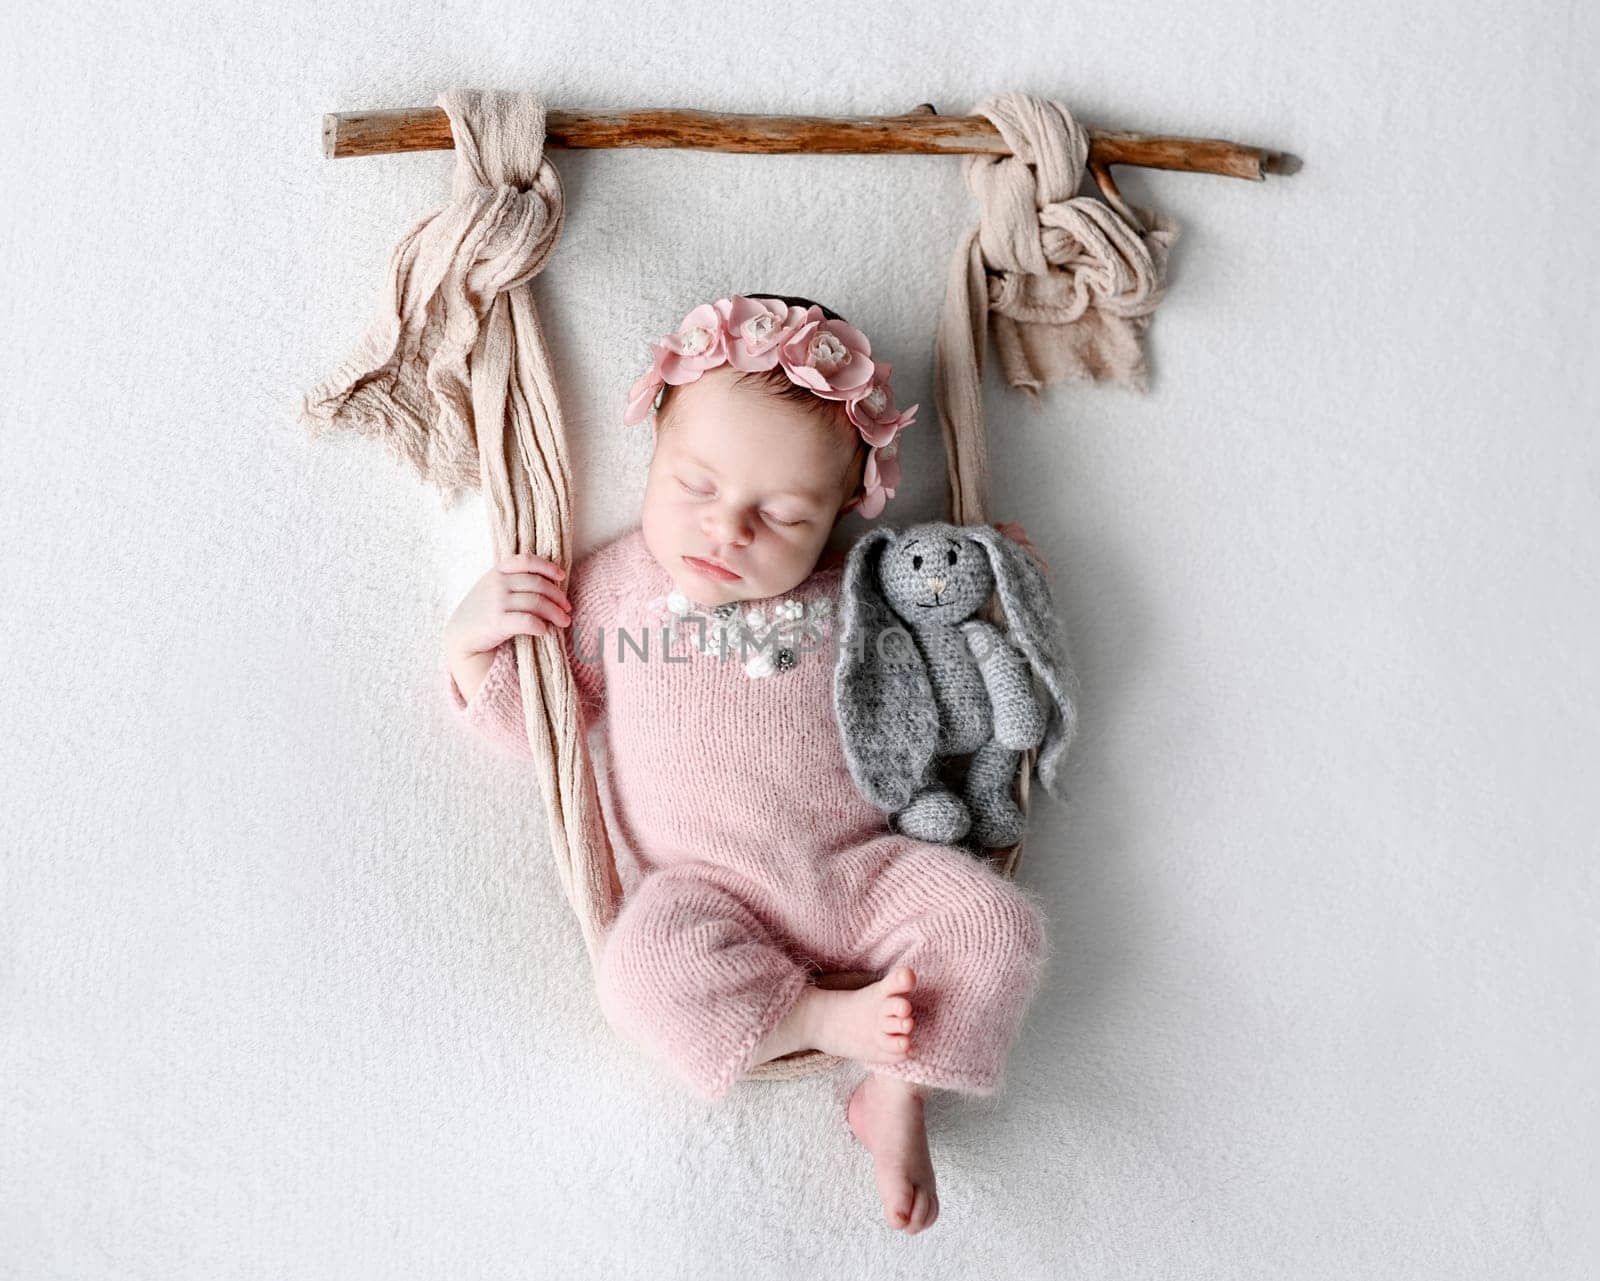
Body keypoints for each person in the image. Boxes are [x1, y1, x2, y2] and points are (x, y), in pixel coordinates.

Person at [444, 294, 1051, 1236]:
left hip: (862, 868)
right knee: (636, 974)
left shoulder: (860, 587)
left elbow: (941, 645)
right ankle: (811, 1018)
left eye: (781, 513)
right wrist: (474, 637)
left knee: (997, 926)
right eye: (695, 487)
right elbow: (534, 727)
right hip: (706, 891)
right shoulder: (615, 592)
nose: (728, 531)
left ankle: (894, 1092)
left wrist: (985, 582)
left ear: (841, 513)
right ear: (651, 454)